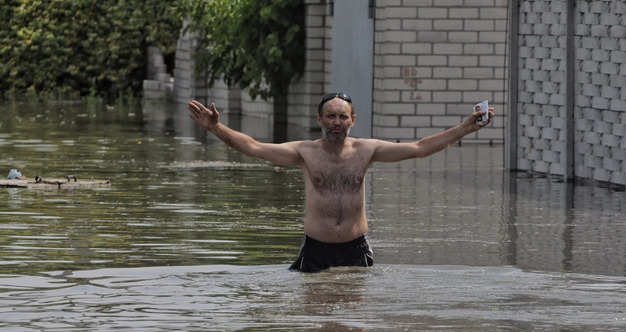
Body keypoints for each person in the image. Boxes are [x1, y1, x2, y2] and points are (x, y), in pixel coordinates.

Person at [187, 93, 494, 272]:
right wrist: (216, 128)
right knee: (313, 319)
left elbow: (419, 148)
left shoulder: (367, 150)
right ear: (320, 120)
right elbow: (252, 147)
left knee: (354, 321)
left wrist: (465, 128)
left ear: (352, 120)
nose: (336, 122)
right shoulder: (303, 152)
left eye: (342, 117)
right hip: (316, 250)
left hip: (355, 250)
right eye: (330, 116)